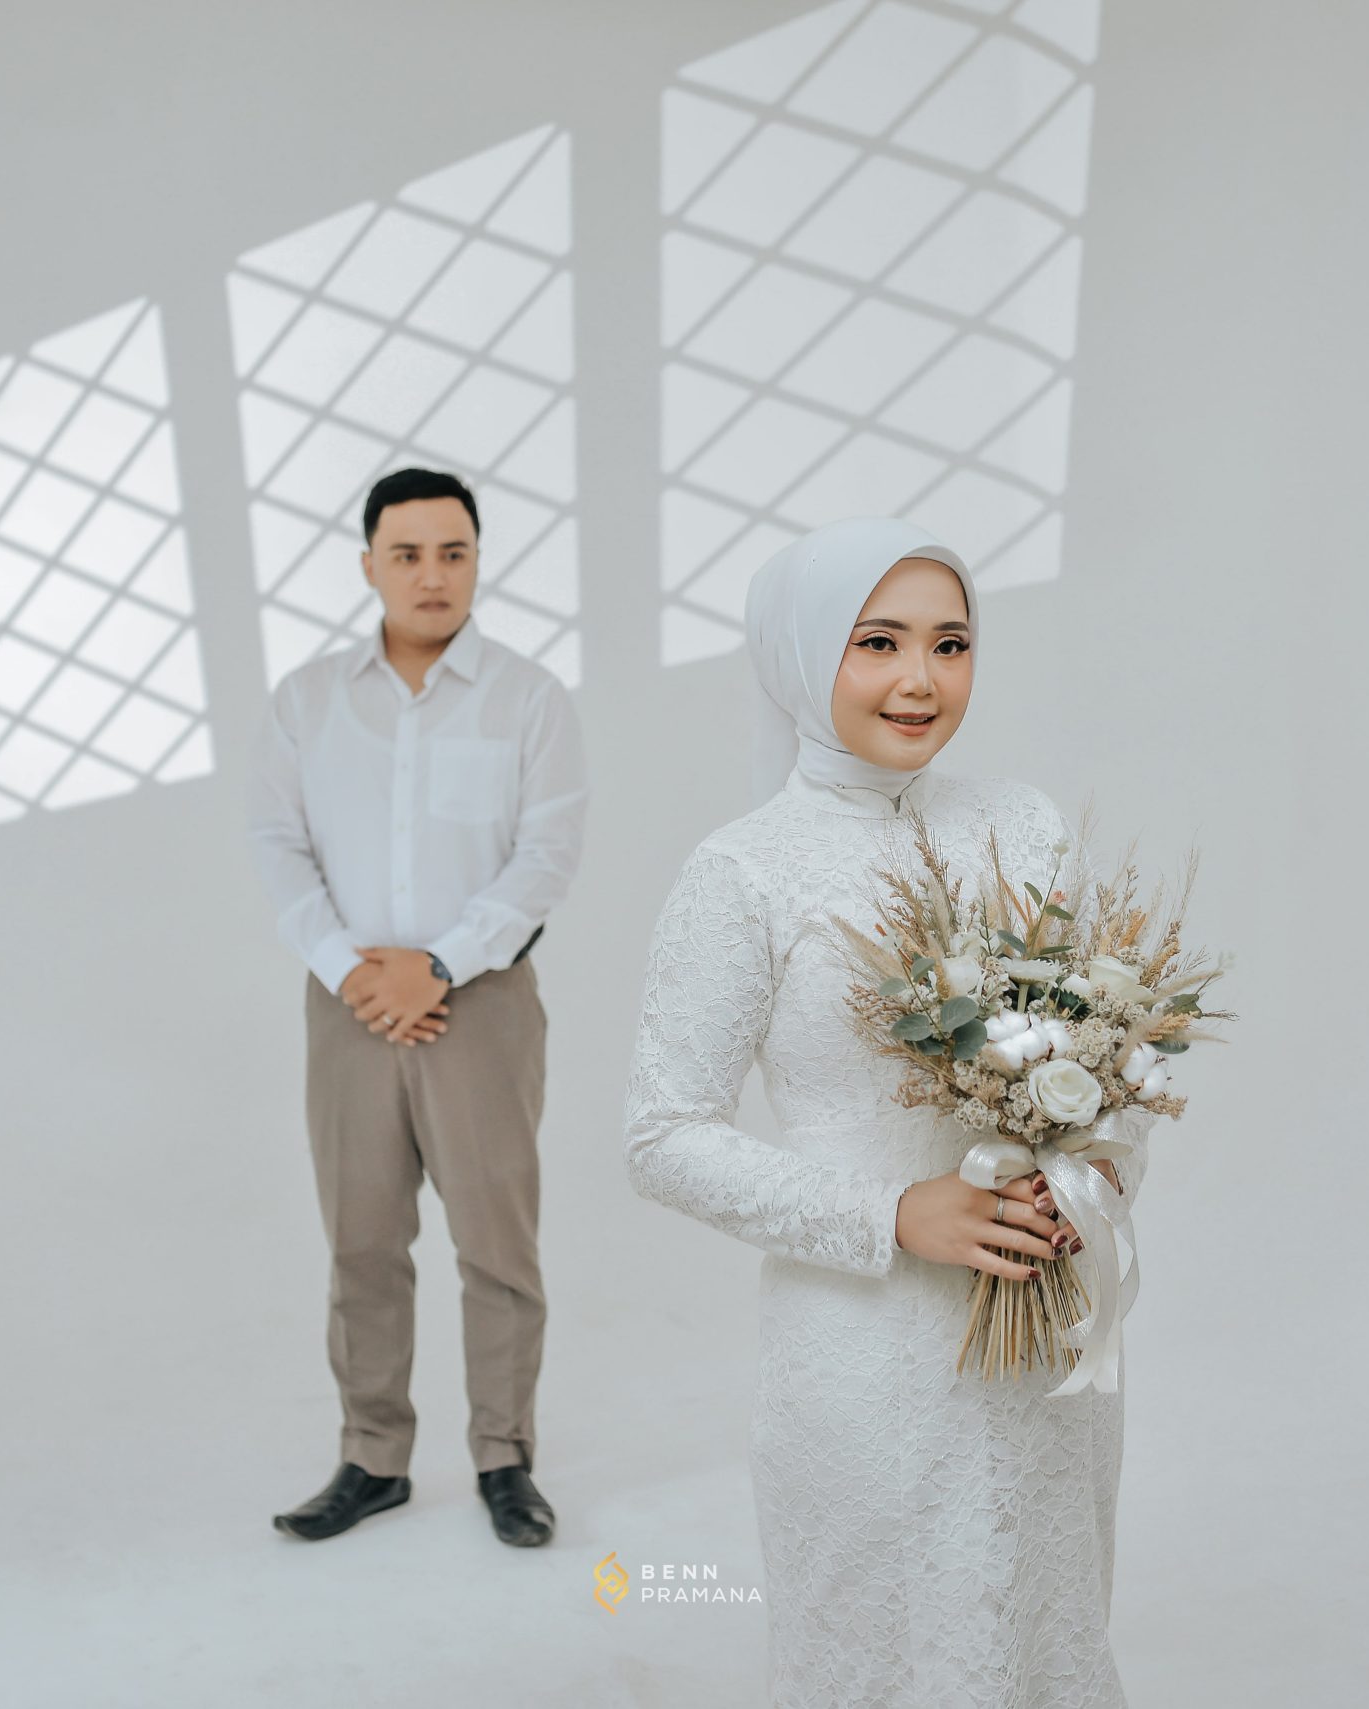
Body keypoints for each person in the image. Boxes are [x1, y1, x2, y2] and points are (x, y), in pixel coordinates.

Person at [622, 517, 1149, 1706]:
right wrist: (896, 1212)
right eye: (878, 642)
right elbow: (661, 1134)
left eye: (950, 643)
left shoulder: (1023, 823)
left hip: (1041, 1320)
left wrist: (1092, 1172)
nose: (920, 678)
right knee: (886, 1646)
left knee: (1045, 1621)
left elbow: (1107, 1049)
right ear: (802, 653)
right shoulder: (742, 870)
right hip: (864, 1350)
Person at [247, 466, 587, 1548]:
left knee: (496, 1244)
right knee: (361, 1240)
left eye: (453, 552)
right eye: (407, 554)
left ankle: (504, 1457)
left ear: (477, 561)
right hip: (346, 1005)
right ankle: (372, 1457)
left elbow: (546, 854)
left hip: (480, 1008)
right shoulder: (307, 700)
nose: (431, 574)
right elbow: (277, 843)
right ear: (368, 565)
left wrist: (438, 964)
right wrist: (351, 968)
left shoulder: (529, 697)